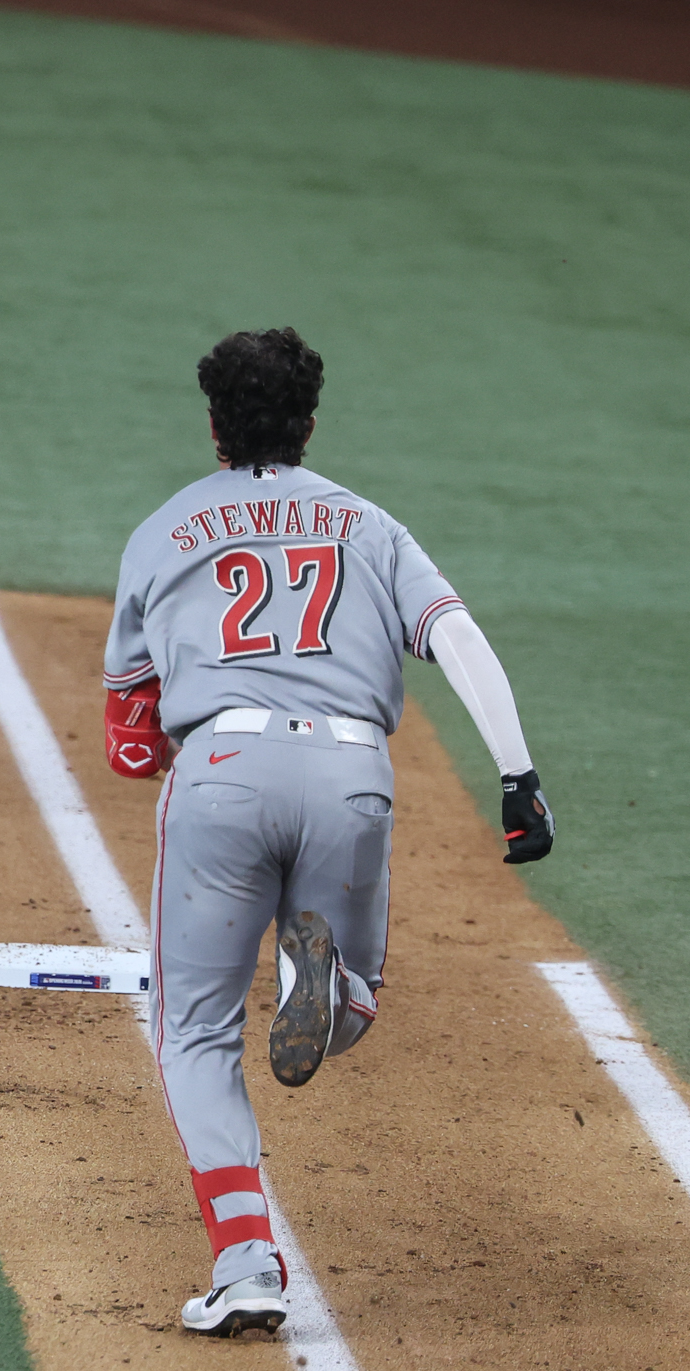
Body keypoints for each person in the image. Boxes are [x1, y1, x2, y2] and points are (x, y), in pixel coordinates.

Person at [100, 328, 555, 1336]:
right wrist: (517, 777)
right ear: (308, 424)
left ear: (214, 426)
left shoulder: (162, 531)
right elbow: (455, 637)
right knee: (355, 1000)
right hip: (352, 775)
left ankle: (245, 1265)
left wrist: (175, 735)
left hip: (221, 771)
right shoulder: (371, 526)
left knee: (194, 1030)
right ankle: (330, 984)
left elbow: (129, 742)